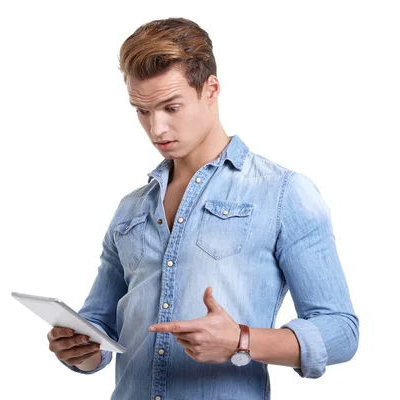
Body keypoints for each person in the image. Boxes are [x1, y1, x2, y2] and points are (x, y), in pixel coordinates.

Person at [46, 17, 359, 400]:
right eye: (142, 111)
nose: (156, 129)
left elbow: (340, 331)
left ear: (211, 89)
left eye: (171, 107)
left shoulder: (282, 193)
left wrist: (242, 340)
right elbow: (101, 328)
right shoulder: (130, 209)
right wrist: (80, 352)